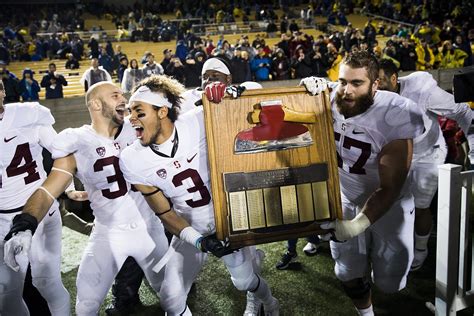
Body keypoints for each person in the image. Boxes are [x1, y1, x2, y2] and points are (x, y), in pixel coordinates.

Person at [3, 81, 169, 315]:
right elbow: (49, 189)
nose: (123, 99)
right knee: (86, 304)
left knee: (173, 295)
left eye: (123, 94)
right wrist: (24, 224)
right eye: (115, 95)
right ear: (94, 103)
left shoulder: (139, 127)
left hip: (149, 229)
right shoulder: (76, 139)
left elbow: (180, 108)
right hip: (107, 233)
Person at [120, 73, 279, 316]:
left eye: (138, 111)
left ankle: (269, 301)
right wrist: (199, 240)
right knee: (171, 299)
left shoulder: (197, 121)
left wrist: (233, 92)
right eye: (129, 112)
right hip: (189, 224)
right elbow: (164, 212)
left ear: (162, 111)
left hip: (228, 218)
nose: (131, 118)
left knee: (244, 282)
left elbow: (255, 89)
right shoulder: (132, 159)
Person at [301, 50, 424, 316]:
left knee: (390, 283)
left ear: (375, 85)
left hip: (390, 206)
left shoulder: (394, 113)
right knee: (347, 271)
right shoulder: (331, 96)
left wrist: (357, 226)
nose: (347, 90)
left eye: (357, 83)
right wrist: (304, 90)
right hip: (345, 196)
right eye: (343, 81)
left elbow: (390, 187)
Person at [378, 58, 473, 271]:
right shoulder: (374, 93)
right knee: (393, 205)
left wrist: (473, 146)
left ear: (394, 79)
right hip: (398, 156)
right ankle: (399, 245)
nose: (376, 86)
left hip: (427, 155)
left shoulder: (421, 89)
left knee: (420, 207)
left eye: (381, 81)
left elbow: (462, 111)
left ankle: (421, 249)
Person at [0, 80, 70, 315]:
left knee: (46, 282)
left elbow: (62, 153)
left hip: (39, 212)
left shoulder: (27, 115)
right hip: (1, 219)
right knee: (6, 292)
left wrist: (67, 188)